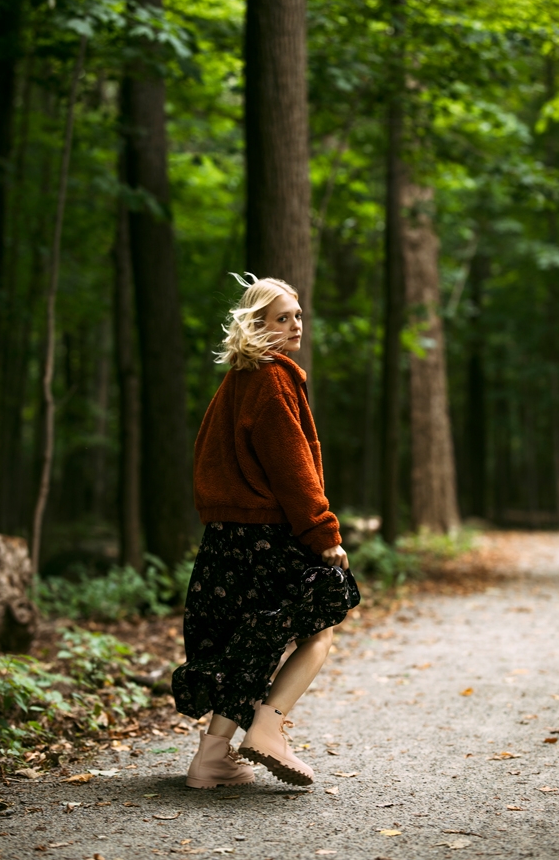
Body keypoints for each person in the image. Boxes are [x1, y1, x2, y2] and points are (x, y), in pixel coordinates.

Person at [172, 274, 348, 789]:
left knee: (248, 644)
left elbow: (208, 462)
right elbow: (292, 468)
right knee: (322, 623)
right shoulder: (273, 380)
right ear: (257, 326)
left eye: (297, 315)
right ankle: (269, 728)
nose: (295, 325)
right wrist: (322, 532)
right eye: (282, 318)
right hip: (267, 535)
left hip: (227, 538)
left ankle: (209, 760)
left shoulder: (235, 382)